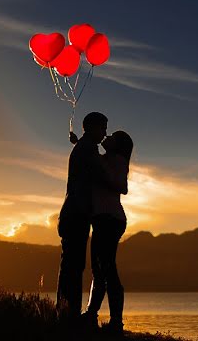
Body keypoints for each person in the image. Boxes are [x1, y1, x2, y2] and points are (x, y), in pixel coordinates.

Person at [56, 111, 107, 319]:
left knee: (71, 264)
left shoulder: (83, 147)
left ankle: (65, 313)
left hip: (72, 212)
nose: (105, 133)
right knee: (74, 266)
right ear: (92, 128)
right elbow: (101, 173)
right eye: (103, 128)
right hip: (77, 213)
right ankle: (69, 315)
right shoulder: (88, 149)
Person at [82, 130, 132, 334]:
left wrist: (102, 171)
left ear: (117, 145)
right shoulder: (106, 158)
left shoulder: (118, 160)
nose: (106, 137)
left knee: (107, 269)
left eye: (111, 137)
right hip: (104, 219)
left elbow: (122, 187)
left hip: (110, 219)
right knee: (99, 269)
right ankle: (92, 314)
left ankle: (116, 322)